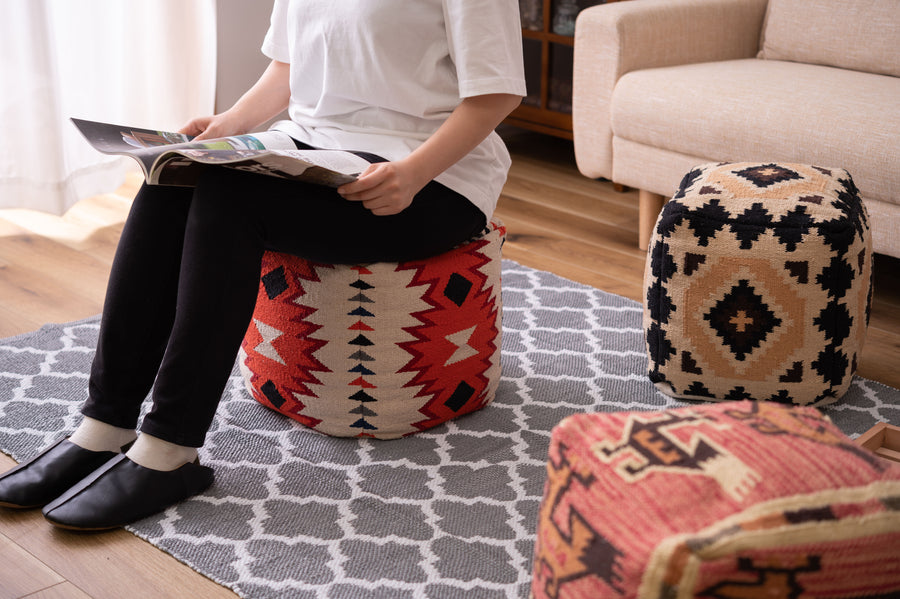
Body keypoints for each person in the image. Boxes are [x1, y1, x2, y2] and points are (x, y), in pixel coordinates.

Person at [0, 0, 525, 530]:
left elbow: (497, 93)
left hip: (431, 179)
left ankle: (168, 450)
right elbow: (287, 70)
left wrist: (412, 173)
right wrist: (221, 130)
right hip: (324, 151)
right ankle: (103, 426)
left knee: (231, 199)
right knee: (173, 175)